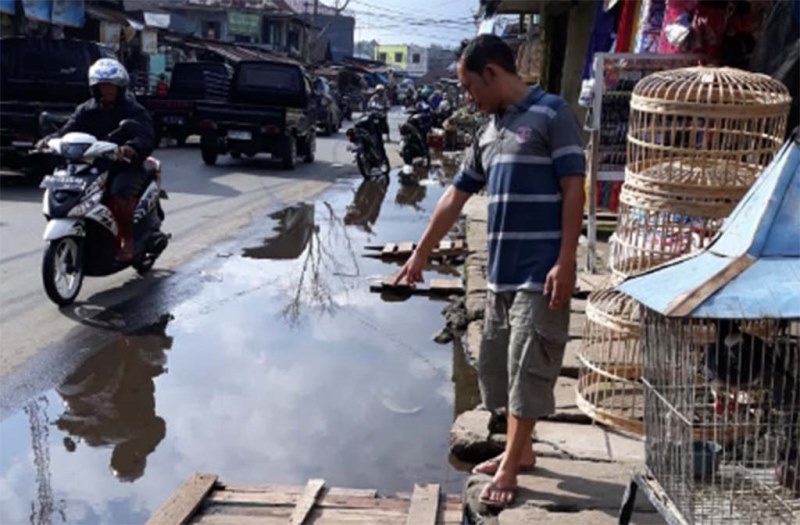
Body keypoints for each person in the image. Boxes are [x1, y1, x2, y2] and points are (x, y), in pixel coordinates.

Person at [395, 35, 586, 508]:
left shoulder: (552, 114)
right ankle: (521, 452)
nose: (467, 98)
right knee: (497, 374)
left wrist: (567, 260)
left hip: (540, 274)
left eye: (468, 87)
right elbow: (453, 198)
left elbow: (574, 190)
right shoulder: (487, 132)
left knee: (529, 370)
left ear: (492, 74)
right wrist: (420, 254)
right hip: (500, 274)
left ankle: (510, 463)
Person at [38, 58, 155, 262]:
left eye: (111, 86)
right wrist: (48, 141)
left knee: (118, 195)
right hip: (91, 163)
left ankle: (127, 240)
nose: (106, 90)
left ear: (120, 87)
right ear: (95, 88)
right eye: (102, 86)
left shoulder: (133, 110)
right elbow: (68, 129)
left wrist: (131, 148)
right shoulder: (86, 110)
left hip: (123, 166)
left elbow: (146, 136)